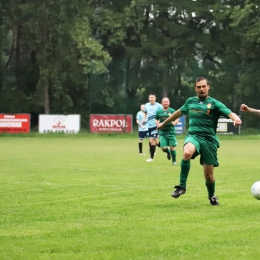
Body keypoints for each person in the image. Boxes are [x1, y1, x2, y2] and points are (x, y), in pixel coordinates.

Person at [157, 76, 242, 205]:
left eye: (204, 86)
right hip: (193, 136)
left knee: (209, 176)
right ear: (195, 88)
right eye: (199, 87)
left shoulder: (214, 103)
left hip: (209, 140)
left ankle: (212, 196)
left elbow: (230, 113)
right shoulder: (190, 102)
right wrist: (164, 123)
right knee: (186, 153)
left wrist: (236, 119)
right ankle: (182, 187)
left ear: (208, 87)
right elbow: (178, 113)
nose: (201, 89)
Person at [155, 97, 179, 165]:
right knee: (163, 148)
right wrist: (157, 123)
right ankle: (168, 152)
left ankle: (174, 161)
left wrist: (174, 123)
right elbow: (156, 119)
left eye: (167, 101)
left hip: (171, 132)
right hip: (162, 132)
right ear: (162, 103)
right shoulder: (159, 111)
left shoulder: (172, 111)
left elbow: (178, 119)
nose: (165, 103)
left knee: (172, 147)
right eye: (164, 101)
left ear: (169, 103)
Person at [142, 93, 163, 162]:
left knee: (152, 141)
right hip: (149, 125)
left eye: (153, 97)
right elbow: (145, 113)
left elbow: (162, 113)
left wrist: (159, 121)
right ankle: (166, 148)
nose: (151, 98)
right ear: (149, 98)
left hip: (156, 126)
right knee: (156, 142)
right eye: (150, 97)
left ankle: (151, 158)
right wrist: (144, 118)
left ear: (155, 98)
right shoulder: (146, 105)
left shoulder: (159, 106)